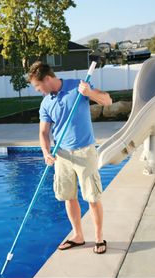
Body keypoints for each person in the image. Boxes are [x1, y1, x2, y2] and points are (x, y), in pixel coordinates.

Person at [28, 61, 112, 254]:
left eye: (37, 86)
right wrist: (46, 152)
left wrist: (89, 93)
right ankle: (78, 235)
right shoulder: (46, 102)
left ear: (47, 79)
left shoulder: (78, 86)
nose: (37, 90)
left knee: (92, 197)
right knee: (68, 196)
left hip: (85, 152)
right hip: (62, 155)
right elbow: (43, 132)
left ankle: (99, 238)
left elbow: (107, 101)